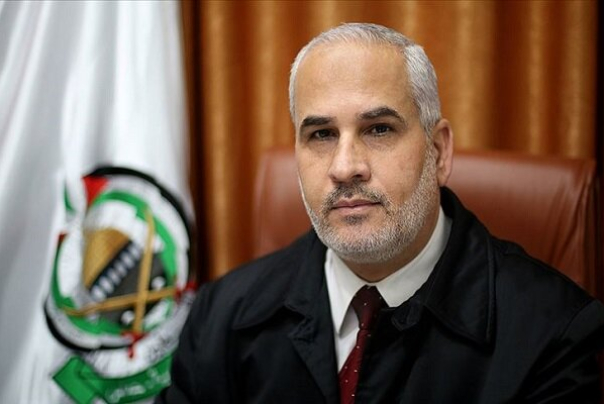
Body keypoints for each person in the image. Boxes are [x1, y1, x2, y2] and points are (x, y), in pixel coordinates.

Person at [157, 22, 604, 403]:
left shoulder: (554, 334)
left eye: (378, 129)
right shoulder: (221, 317)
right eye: (321, 134)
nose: (345, 167)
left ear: (438, 151)